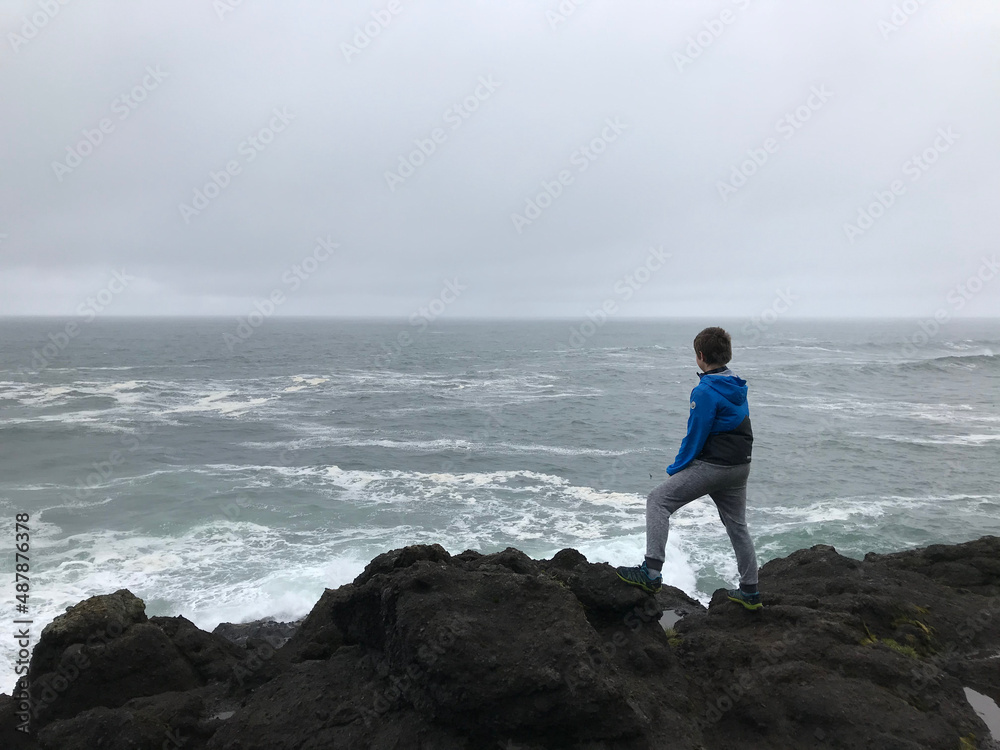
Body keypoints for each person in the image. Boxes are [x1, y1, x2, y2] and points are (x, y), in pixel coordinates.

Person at [616, 326, 762, 610]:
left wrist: (677, 468)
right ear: (726, 354)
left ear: (700, 356)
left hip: (715, 466)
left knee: (658, 500)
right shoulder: (736, 384)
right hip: (740, 467)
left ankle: (651, 572)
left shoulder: (705, 390)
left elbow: (696, 435)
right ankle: (751, 591)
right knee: (737, 526)